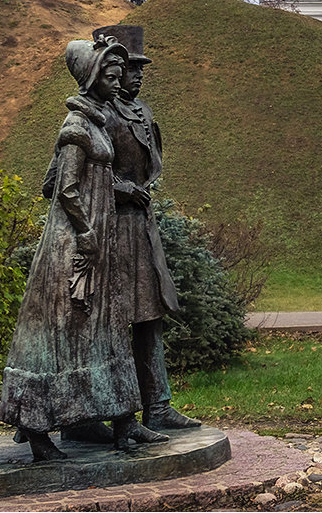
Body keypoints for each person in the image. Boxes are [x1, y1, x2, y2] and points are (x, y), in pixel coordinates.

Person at [0, 35, 168, 460]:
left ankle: (125, 424)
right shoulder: (76, 128)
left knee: (105, 331)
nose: (120, 82)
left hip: (99, 239)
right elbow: (61, 187)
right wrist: (87, 230)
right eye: (111, 76)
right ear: (92, 78)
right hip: (77, 244)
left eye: (119, 75)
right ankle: (38, 429)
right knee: (64, 332)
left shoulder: (94, 121)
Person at [93, 24, 200, 431]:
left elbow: (150, 165)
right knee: (115, 320)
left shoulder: (144, 113)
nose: (137, 76)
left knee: (149, 315)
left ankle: (157, 404)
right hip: (110, 231)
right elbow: (74, 175)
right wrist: (120, 189)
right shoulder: (96, 113)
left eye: (140, 69)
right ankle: (106, 412)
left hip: (141, 229)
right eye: (129, 68)